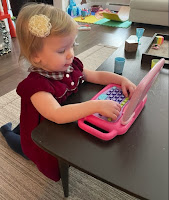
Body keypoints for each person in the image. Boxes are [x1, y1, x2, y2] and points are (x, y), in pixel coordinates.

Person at [0, 3, 136, 182]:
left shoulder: (70, 65)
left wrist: (120, 80)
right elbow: (57, 114)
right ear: (35, 56)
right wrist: (95, 105)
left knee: (24, 122)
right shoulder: (36, 87)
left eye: (72, 45)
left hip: (48, 115)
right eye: (62, 50)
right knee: (25, 147)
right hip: (42, 129)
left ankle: (18, 127)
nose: (71, 54)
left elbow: (94, 75)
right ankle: (6, 132)